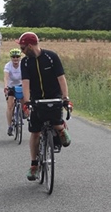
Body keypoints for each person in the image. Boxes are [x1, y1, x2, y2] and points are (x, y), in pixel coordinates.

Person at [17, 32, 72, 181]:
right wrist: (27, 102)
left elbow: (61, 78)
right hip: (36, 100)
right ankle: (34, 165)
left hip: (54, 97)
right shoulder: (25, 62)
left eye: (22, 48)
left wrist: (65, 98)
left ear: (29, 46)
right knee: (35, 133)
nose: (21, 51)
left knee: (56, 123)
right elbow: (26, 83)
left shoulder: (51, 57)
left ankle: (61, 130)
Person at [3, 48, 23, 136]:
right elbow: (6, 77)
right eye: (13, 57)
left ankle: (23, 113)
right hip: (11, 86)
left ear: (20, 57)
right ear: (11, 58)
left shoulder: (22, 65)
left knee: (25, 102)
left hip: (21, 85)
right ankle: (10, 126)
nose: (15, 59)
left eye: (17, 57)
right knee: (10, 106)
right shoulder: (8, 66)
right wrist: (6, 87)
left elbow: (27, 77)